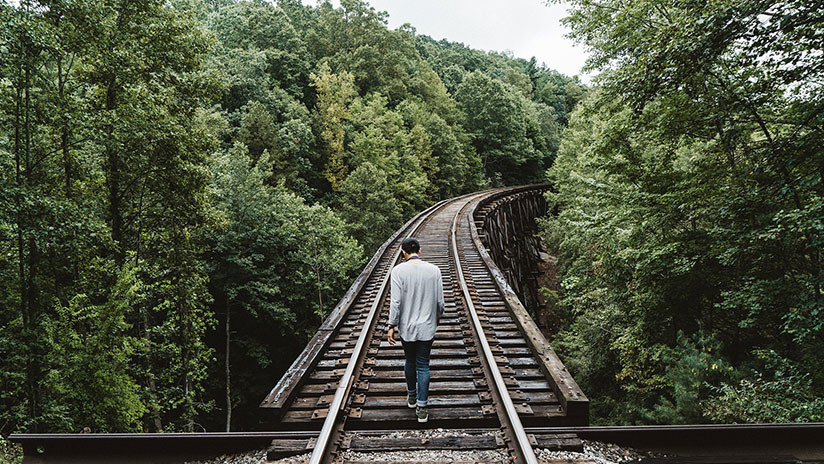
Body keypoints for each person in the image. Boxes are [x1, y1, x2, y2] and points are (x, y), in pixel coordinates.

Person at [387, 237, 445, 423]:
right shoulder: (434, 270)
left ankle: (412, 396)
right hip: (427, 327)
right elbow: (440, 302)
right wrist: (437, 316)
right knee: (423, 365)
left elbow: (395, 302)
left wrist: (391, 325)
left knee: (409, 360)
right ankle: (422, 408)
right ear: (419, 250)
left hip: (407, 327)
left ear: (403, 253)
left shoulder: (397, 271)